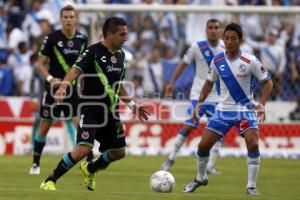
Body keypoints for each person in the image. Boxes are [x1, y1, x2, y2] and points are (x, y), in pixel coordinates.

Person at [40, 16, 150, 191]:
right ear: (110, 34)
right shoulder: (93, 52)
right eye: (122, 35)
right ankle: (50, 180)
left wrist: (133, 105)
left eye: (126, 34)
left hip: (111, 112)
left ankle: (90, 168)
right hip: (90, 109)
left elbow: (118, 86)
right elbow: (75, 70)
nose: (126, 38)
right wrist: (64, 86)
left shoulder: (121, 56)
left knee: (119, 152)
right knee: (83, 150)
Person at [182, 23, 273, 195]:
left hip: (245, 109)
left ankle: (251, 186)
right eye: (227, 38)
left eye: (233, 39)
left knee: (252, 144)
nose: (229, 42)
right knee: (203, 146)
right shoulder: (217, 61)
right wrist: (199, 104)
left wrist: (262, 104)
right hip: (223, 110)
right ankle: (201, 178)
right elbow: (209, 83)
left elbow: (268, 82)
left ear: (241, 40)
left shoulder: (250, 60)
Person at [29, 5, 90, 175]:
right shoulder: (51, 38)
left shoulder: (82, 39)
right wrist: (50, 79)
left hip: (72, 89)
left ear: (76, 19)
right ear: (60, 19)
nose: (69, 20)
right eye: (66, 17)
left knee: (80, 124)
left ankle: (90, 161)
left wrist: (85, 87)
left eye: (71, 17)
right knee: (45, 126)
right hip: (53, 90)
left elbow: (85, 66)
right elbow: (40, 63)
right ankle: (35, 163)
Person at [162, 19, 224, 175]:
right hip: (199, 95)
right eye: (210, 28)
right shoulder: (197, 47)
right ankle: (171, 157)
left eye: (216, 28)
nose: (213, 30)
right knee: (189, 126)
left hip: (218, 96)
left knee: (218, 131)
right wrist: (171, 82)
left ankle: (210, 165)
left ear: (220, 30)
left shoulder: (225, 47)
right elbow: (183, 64)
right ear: (206, 30)